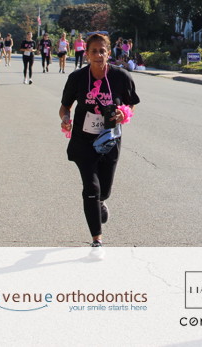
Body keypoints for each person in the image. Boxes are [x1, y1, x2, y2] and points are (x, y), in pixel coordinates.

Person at [59, 33, 140, 254]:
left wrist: (124, 113)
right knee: (91, 188)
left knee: (104, 189)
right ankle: (97, 239)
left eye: (102, 51)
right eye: (93, 51)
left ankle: (101, 201)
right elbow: (65, 106)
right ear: (86, 54)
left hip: (109, 140)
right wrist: (65, 118)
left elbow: (131, 103)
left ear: (109, 53)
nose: (98, 55)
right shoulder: (77, 78)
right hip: (83, 140)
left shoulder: (120, 77)